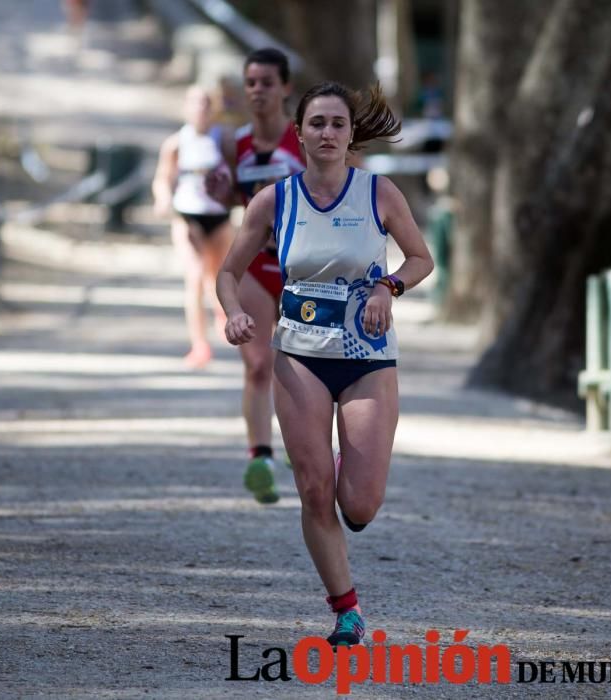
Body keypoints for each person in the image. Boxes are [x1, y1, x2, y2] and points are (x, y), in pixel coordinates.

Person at [216, 81, 434, 647]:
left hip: (367, 360)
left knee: (358, 505)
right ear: (300, 132)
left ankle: (339, 461)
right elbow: (227, 272)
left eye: (338, 124)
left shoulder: (378, 193)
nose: (328, 133)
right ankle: (346, 611)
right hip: (300, 359)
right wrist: (234, 314)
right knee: (314, 492)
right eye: (317, 124)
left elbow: (421, 257)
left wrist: (390, 285)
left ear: (351, 133)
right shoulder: (274, 200)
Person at [222, 48, 306, 504]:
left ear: (285, 87)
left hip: (303, 269)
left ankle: (302, 444)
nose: (257, 90)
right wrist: (224, 194)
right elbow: (237, 202)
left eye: (267, 82)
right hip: (256, 264)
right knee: (257, 364)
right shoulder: (233, 144)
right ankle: (261, 458)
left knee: (299, 364)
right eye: (251, 81)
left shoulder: (307, 138)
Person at [153, 85, 233, 369]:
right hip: (188, 215)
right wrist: (163, 199)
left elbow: (237, 171)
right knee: (196, 275)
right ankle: (199, 345)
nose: (201, 108)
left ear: (214, 109)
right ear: (186, 107)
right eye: (196, 103)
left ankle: (221, 312)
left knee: (218, 275)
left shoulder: (224, 139)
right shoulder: (176, 144)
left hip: (219, 216)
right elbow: (162, 178)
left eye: (206, 103)